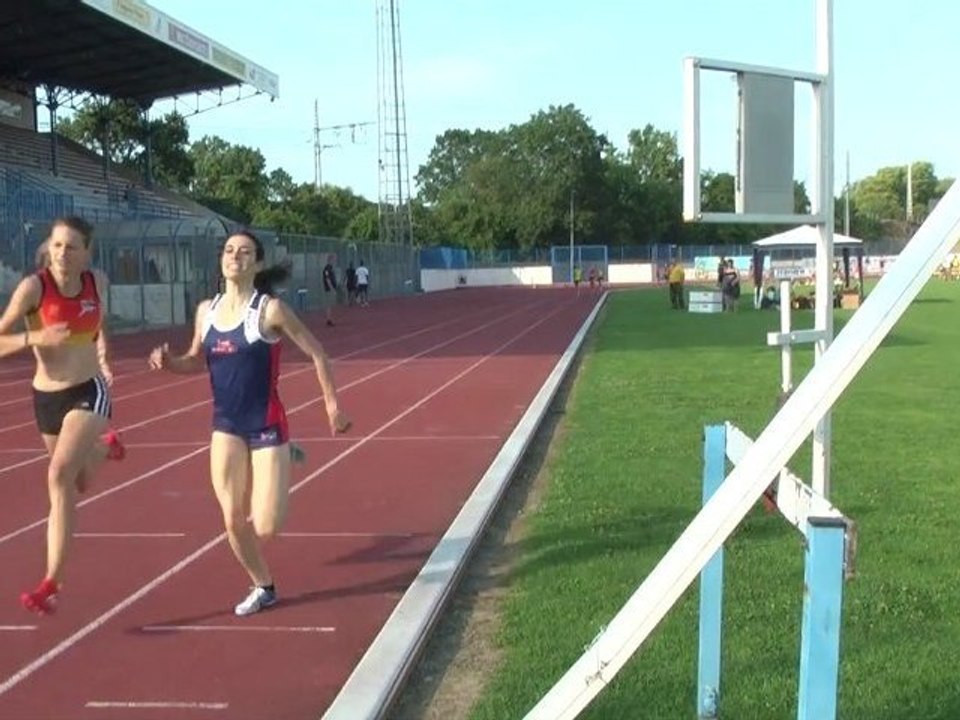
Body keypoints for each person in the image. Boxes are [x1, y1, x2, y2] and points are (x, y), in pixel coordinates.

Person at [148, 230, 351, 616]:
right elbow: (195, 359)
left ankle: (281, 454)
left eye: (244, 252)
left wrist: (332, 408)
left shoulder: (270, 310)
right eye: (228, 251)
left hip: (265, 422)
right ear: (221, 260)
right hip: (225, 425)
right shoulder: (206, 311)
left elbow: (319, 354)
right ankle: (263, 585)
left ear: (257, 263)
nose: (234, 257)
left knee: (268, 527)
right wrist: (169, 361)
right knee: (231, 517)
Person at [0, 216, 125, 615]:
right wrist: (34, 336)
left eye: (71, 247)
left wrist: (103, 356)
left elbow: (98, 322)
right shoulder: (34, 288)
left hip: (89, 390)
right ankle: (105, 447)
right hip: (47, 397)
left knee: (57, 476)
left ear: (87, 252)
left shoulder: (95, 282)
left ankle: (50, 582)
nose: (62, 254)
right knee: (79, 482)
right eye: (56, 245)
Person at [321, 254, 337, 326]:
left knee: (330, 304)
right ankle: (328, 319)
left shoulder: (330, 268)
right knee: (328, 304)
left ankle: (329, 318)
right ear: (330, 260)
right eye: (333, 259)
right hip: (328, 289)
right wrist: (332, 289)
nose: (334, 261)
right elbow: (327, 279)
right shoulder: (327, 268)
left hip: (330, 288)